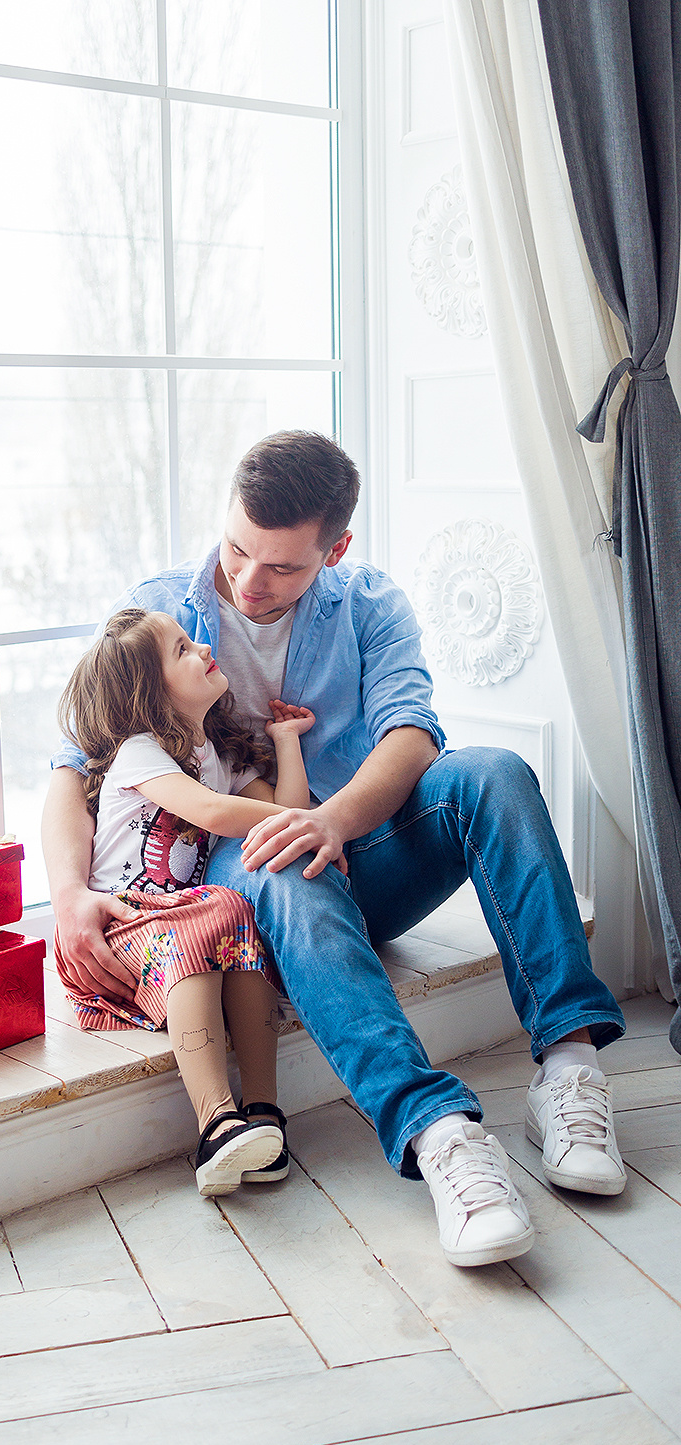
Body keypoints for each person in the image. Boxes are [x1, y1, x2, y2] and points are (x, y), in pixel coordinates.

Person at [44, 431, 628, 1267]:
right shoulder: (165, 609)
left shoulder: (369, 604)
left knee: (492, 773)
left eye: (281, 567)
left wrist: (335, 819)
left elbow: (411, 733)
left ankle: (569, 1069)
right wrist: (69, 896)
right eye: (237, 549)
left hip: (356, 852)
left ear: (335, 549)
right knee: (281, 856)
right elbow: (76, 767)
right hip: (244, 899)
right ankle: (440, 1135)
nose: (249, 582)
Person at [53, 605, 319, 1198]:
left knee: (238, 917)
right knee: (221, 910)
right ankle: (214, 1123)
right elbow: (219, 814)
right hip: (121, 925)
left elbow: (277, 809)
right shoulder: (140, 750)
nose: (201, 648)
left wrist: (285, 743)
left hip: (182, 921)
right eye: (180, 650)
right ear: (151, 696)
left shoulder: (216, 755)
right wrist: (317, 823)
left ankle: (263, 1113)